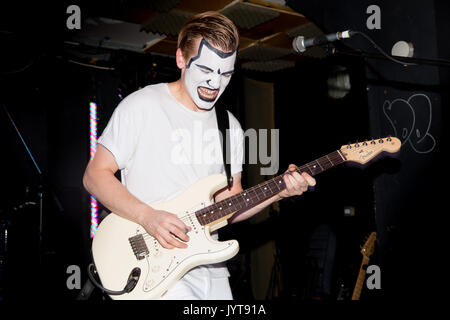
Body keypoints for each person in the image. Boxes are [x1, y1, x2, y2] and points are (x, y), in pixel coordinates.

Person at [82, 11, 316, 300]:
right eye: (206, 70)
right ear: (181, 59)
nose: (215, 83)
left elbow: (229, 205)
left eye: (226, 74)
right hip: (155, 265)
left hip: (211, 268)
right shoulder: (141, 106)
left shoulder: (229, 126)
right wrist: (148, 217)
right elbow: (95, 176)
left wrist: (279, 191)